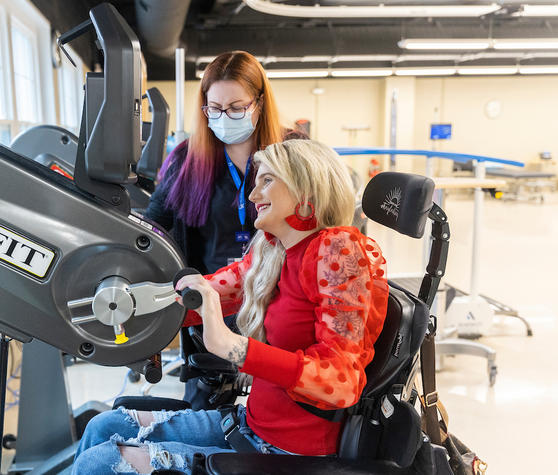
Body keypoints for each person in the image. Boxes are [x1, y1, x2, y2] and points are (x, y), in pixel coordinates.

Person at [73, 139, 389, 474]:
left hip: (290, 454)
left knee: (101, 462)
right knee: (102, 427)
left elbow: (341, 382)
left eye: (267, 180)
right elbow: (199, 295)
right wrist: (123, 309)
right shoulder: (273, 251)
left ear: (306, 185)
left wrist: (231, 346)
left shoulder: (338, 251)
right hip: (250, 425)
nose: (253, 196)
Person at [145, 50, 285, 410]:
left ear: (259, 103)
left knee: (275, 408)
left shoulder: (293, 154)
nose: (225, 118)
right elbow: (151, 226)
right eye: (215, 109)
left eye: (236, 108)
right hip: (212, 306)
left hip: (278, 302)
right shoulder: (188, 160)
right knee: (203, 416)